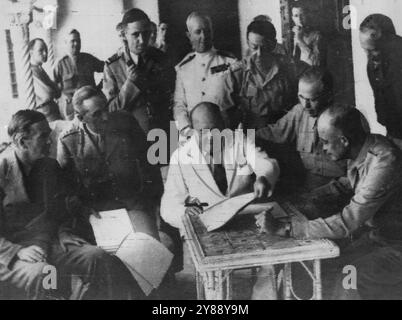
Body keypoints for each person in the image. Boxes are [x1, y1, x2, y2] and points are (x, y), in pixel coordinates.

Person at [258, 104, 402, 299]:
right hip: (378, 238)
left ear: (343, 141)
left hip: (394, 246)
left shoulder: (384, 162)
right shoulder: (365, 147)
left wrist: (287, 228)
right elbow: (343, 186)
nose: (323, 148)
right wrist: (297, 202)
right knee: (320, 265)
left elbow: (347, 221)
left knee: (348, 277)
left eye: (325, 141)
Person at [0, 110, 138, 300]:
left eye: (50, 135)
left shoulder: (49, 166)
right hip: (11, 252)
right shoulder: (1, 170)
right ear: (23, 141)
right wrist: (17, 251)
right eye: (43, 137)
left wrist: (65, 232)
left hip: (51, 242)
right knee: (45, 273)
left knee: (97, 257)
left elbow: (62, 208)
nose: (50, 142)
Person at [161, 102, 279, 233]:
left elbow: (265, 162)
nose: (210, 137)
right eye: (202, 131)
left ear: (223, 125)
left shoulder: (239, 140)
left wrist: (263, 177)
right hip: (204, 225)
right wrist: (184, 211)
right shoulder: (180, 156)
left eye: (215, 130)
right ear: (193, 130)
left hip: (245, 218)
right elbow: (168, 206)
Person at [256, 67, 346, 191]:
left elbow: (359, 167)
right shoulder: (299, 112)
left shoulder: (346, 117)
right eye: (301, 97)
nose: (305, 105)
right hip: (310, 183)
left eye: (312, 99)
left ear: (328, 96)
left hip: (340, 185)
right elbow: (272, 133)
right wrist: (238, 137)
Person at [103, 8, 174, 134]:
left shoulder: (162, 59)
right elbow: (110, 110)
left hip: (162, 132)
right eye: (135, 34)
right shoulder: (113, 67)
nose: (142, 40)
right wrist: (130, 85)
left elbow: (173, 97)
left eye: (146, 33)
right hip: (131, 137)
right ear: (125, 35)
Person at [174, 12, 242, 137]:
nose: (204, 36)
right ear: (189, 35)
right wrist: (187, 131)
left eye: (207, 31)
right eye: (198, 32)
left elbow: (242, 99)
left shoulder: (230, 63)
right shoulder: (183, 68)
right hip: (194, 136)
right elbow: (179, 105)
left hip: (226, 133)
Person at [239, 19, 297, 128]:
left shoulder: (289, 68)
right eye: (254, 47)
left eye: (264, 48)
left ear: (273, 45)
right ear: (247, 43)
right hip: (251, 134)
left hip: (282, 132)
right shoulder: (237, 73)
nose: (259, 54)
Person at [359, 14, 402, 149]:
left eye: (374, 51)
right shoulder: (373, 64)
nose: (369, 57)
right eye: (365, 50)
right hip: (394, 131)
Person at [53, 29, 104, 121]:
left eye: (78, 41)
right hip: (71, 106)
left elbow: (107, 68)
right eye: (73, 41)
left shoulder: (88, 58)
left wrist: (100, 86)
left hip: (90, 104)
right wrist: (62, 97)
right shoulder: (60, 64)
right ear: (65, 43)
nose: (76, 44)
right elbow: (53, 87)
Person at [29, 38, 62, 122]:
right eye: (41, 50)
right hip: (45, 114)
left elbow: (57, 93)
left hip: (52, 110)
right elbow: (47, 94)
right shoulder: (31, 71)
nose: (45, 53)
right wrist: (55, 88)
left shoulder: (40, 69)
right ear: (31, 53)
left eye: (46, 50)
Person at [291, 4, 326, 72]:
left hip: (311, 73)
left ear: (307, 16)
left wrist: (300, 40)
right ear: (293, 18)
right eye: (296, 16)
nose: (299, 19)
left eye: (302, 15)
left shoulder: (317, 35)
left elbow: (316, 62)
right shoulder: (292, 34)